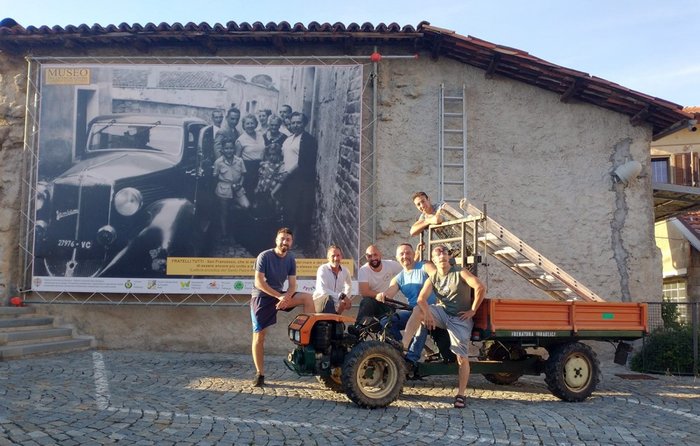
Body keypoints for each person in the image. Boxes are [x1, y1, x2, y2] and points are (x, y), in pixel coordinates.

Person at [402, 245, 486, 408]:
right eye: (438, 253)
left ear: (448, 257)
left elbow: (480, 287)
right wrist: (427, 313)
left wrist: (473, 310)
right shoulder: (433, 277)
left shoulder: (459, 271)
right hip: (443, 313)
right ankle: (403, 346)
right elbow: (421, 299)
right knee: (418, 309)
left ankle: (461, 394)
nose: (442, 255)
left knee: (462, 358)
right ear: (433, 260)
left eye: (444, 252)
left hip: (460, 318)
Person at [250, 227, 315, 387]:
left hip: (280, 296)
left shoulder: (291, 258)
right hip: (262, 297)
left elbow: (293, 285)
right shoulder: (264, 256)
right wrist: (279, 296)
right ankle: (260, 374)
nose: (285, 242)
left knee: (307, 297)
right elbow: (259, 281)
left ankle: (307, 339)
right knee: (259, 337)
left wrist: (286, 297)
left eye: (288, 239)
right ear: (276, 240)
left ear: (291, 242)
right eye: (282, 238)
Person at [375, 243, 455, 368]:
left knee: (421, 318)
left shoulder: (424, 266)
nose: (405, 256)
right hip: (412, 311)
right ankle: (399, 351)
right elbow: (390, 292)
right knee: (386, 321)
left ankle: (411, 360)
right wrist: (382, 295)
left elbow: (438, 276)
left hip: (433, 310)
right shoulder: (398, 278)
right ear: (397, 257)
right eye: (402, 253)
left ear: (413, 255)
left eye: (408, 253)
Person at [279, 112, 318, 254]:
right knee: (288, 210)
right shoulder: (289, 138)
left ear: (304, 124)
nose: (296, 125)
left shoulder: (308, 140)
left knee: (299, 212)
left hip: (299, 180)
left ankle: (300, 242)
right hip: (287, 179)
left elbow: (302, 162)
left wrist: (287, 174)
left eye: (299, 122)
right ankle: (288, 240)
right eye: (293, 122)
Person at [353, 244, 402, 326]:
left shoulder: (390, 265)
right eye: (369, 256)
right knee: (366, 302)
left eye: (375, 255)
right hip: (372, 302)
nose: (373, 258)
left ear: (380, 254)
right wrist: (379, 295)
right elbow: (364, 292)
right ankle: (359, 329)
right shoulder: (363, 270)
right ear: (366, 257)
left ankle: (392, 336)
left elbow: (407, 269)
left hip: (387, 302)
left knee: (390, 324)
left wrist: (416, 257)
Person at [213, 135, 248, 238]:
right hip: (224, 189)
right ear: (222, 150)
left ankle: (237, 229)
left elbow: (243, 175)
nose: (229, 151)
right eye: (226, 148)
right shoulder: (218, 162)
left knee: (246, 206)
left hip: (238, 187)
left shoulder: (239, 160)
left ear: (234, 149)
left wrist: (240, 184)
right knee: (224, 213)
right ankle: (224, 234)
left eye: (231, 148)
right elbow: (215, 177)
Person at [255, 115, 287, 209]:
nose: (273, 127)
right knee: (262, 193)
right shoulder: (264, 136)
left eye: (276, 125)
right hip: (265, 168)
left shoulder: (284, 137)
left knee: (275, 195)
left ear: (279, 125)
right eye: (272, 125)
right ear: (269, 125)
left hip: (277, 168)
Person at [312, 244, 353, 314]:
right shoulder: (323, 269)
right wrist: (341, 296)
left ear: (341, 257)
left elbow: (349, 285)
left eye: (338, 255)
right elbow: (322, 290)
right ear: (328, 258)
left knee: (337, 323)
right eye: (333, 256)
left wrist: (346, 298)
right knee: (328, 299)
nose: (336, 258)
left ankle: (335, 320)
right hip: (320, 303)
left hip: (336, 304)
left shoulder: (345, 271)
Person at [235, 114, 266, 198]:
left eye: (252, 123)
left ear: (256, 124)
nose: (250, 126)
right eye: (247, 124)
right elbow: (237, 159)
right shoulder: (240, 140)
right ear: (244, 126)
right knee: (249, 192)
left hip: (261, 167)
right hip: (248, 169)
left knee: (261, 192)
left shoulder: (261, 135)